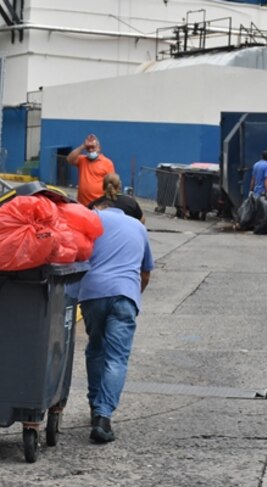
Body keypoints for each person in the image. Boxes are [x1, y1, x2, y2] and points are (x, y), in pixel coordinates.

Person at [75, 199, 154, 443]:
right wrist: (132, 295)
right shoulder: (139, 229)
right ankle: (103, 416)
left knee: (96, 348)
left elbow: (76, 255)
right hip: (124, 295)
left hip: (92, 293)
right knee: (117, 357)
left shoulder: (92, 219)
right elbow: (146, 272)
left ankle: (94, 404)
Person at [67, 133, 115, 206]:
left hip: (99, 204)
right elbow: (69, 159)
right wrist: (83, 146)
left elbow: (112, 183)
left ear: (99, 148)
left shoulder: (107, 163)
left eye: (93, 147)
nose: (91, 150)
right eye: (88, 148)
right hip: (83, 204)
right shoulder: (82, 160)